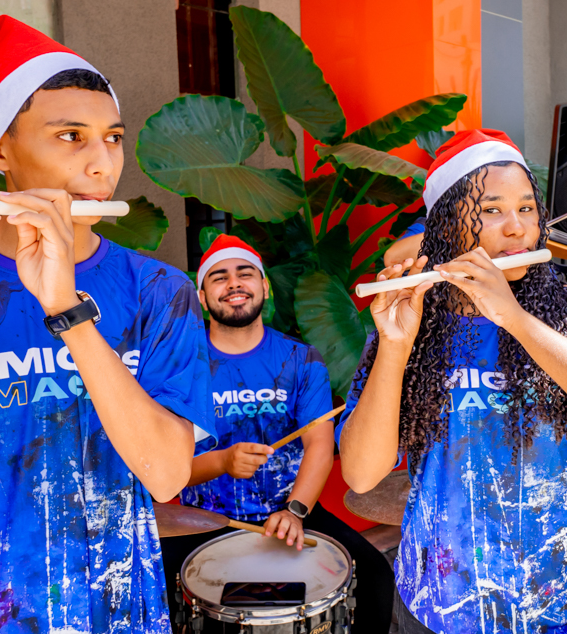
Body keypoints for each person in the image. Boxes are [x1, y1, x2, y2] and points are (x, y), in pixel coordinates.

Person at [0, 16, 217, 632]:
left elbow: (167, 474)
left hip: (111, 609)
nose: (103, 163)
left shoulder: (159, 292)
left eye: (113, 137)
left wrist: (67, 312)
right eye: (70, 135)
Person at [337, 129, 567, 634]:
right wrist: (396, 347)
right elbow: (360, 474)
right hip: (439, 607)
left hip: (559, 608)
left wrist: (514, 319)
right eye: (491, 211)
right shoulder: (414, 328)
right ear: (447, 228)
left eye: (528, 209)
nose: (516, 229)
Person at [160, 235, 395, 633]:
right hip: (201, 518)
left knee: (374, 576)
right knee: (154, 597)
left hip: (292, 510)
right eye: (219, 277)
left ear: (265, 287)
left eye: (245, 273)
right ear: (202, 297)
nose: (234, 284)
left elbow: (319, 445)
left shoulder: (302, 360)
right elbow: (165, 464)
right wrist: (222, 461)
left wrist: (296, 510)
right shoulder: (181, 366)